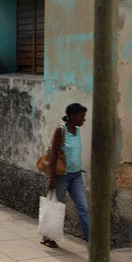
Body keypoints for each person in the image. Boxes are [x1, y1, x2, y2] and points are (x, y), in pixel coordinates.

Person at [41, 103, 90, 248]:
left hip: (76, 176)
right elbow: (54, 153)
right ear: (72, 116)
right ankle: (48, 237)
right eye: (81, 116)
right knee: (55, 207)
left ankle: (91, 241)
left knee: (83, 208)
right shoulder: (60, 130)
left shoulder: (77, 131)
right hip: (62, 176)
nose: (83, 120)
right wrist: (52, 178)